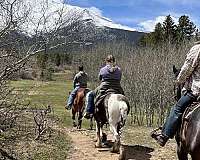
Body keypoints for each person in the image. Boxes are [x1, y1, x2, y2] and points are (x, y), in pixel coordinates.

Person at [152, 41, 200, 146]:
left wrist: (178, 80)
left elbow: (186, 69)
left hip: (196, 91)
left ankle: (163, 136)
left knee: (177, 108)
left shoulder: (197, 49)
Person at [84, 55, 124, 119]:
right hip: (117, 87)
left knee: (91, 94)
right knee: (123, 97)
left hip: (104, 86)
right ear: (114, 61)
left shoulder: (103, 69)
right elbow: (119, 78)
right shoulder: (119, 70)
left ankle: (88, 112)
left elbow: (99, 78)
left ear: (106, 61)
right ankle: (124, 112)